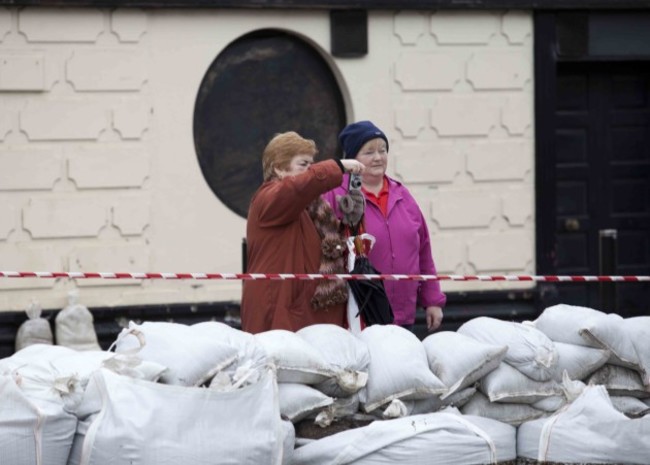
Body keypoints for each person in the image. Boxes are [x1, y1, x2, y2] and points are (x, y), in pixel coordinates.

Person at [323, 121, 446, 332]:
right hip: (358, 313)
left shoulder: (402, 195)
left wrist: (432, 299)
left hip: (404, 312)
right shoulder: (336, 194)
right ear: (352, 158)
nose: (378, 157)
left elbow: (423, 249)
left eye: (382, 150)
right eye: (369, 151)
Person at [241, 131, 365, 334]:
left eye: (312, 164)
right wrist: (337, 166)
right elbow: (296, 189)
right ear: (279, 168)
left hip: (305, 312)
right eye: (303, 164)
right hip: (280, 310)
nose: (310, 170)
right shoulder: (269, 198)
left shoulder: (310, 206)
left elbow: (317, 245)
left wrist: (348, 220)